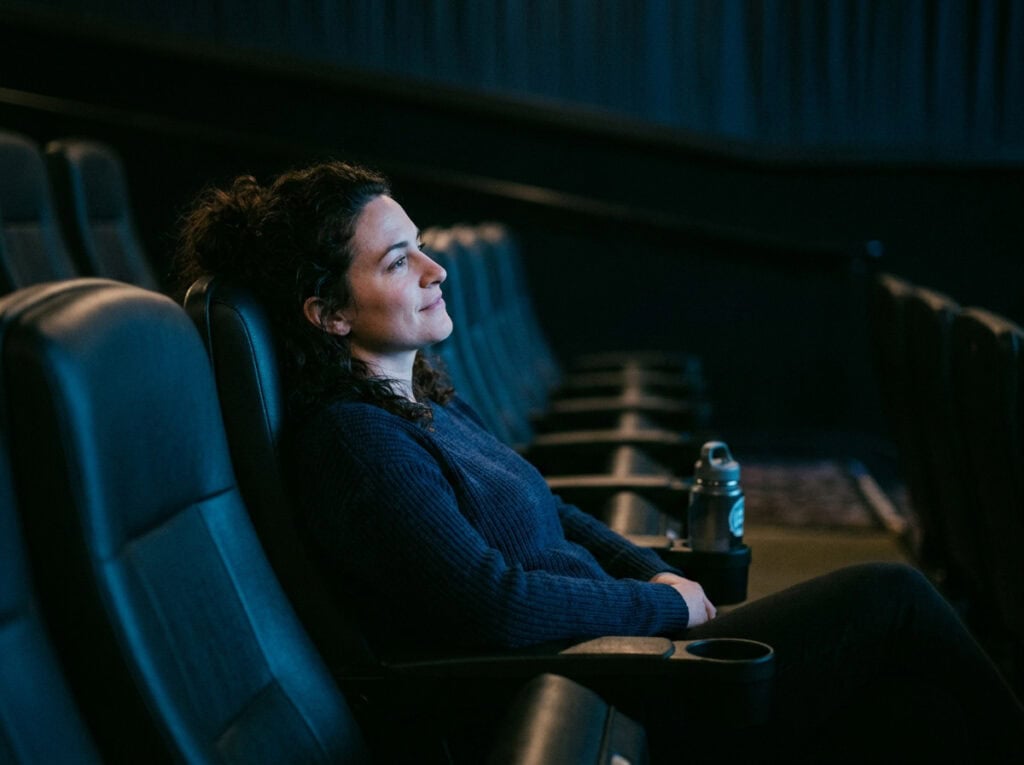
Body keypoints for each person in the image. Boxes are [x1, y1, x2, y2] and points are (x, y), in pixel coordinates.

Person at [175, 160, 1024, 763]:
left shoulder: (418, 394)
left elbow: (548, 505)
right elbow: (494, 608)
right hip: (585, 691)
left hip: (620, 650)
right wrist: (657, 610)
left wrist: (664, 581)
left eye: (422, 245)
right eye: (400, 261)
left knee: (902, 695)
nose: (437, 270)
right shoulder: (355, 445)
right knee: (892, 598)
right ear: (326, 312)